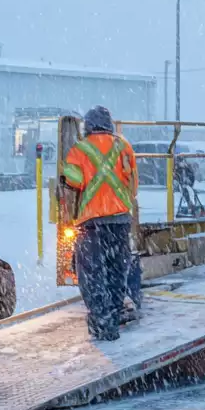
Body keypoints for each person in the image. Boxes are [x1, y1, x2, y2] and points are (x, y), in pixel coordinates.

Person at [62, 106, 140, 341]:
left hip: (92, 222)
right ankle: (114, 315)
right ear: (109, 124)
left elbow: (73, 182)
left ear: (87, 125)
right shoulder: (123, 146)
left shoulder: (80, 149)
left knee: (93, 273)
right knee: (117, 270)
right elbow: (133, 183)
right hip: (120, 221)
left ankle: (102, 321)